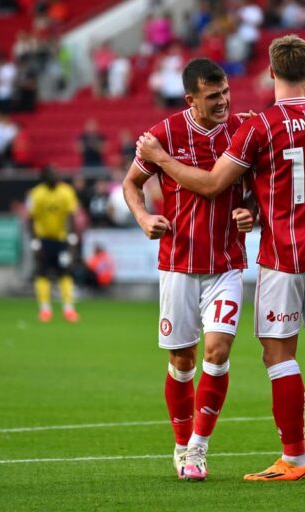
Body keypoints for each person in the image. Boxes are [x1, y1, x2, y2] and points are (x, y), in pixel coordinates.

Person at [137, 34, 305, 484]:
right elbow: (273, 178)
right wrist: (250, 207)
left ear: (270, 73)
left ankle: (292, 456)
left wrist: (162, 159)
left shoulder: (259, 125)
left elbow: (217, 183)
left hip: (282, 253)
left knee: (277, 354)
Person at [122, 58, 255, 482]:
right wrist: (144, 219)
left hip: (226, 265)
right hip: (178, 264)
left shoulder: (244, 132)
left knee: (218, 352)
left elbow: (256, 192)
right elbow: (131, 184)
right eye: (213, 95)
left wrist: (250, 211)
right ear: (191, 98)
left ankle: (198, 447)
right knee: (183, 361)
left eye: (226, 92)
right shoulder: (164, 134)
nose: (223, 101)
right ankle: (180, 446)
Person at [26, 165, 81, 323]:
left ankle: (68, 309)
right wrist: (34, 241)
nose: (55, 178)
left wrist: (71, 237)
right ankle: (45, 309)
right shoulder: (36, 194)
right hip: (43, 240)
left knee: (65, 272)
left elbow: (71, 216)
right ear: (45, 178)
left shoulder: (66, 192)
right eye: (52, 175)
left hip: (61, 240)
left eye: (56, 175)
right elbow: (30, 218)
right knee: (42, 273)